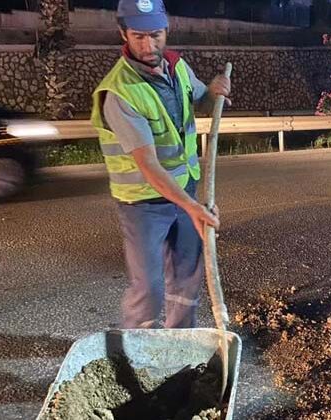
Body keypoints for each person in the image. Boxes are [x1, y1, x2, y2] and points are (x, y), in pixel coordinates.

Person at [90, 0, 230, 329]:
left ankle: (179, 342)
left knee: (187, 275)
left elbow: (202, 100)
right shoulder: (120, 93)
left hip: (184, 190)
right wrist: (194, 208)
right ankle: (141, 352)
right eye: (138, 36)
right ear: (122, 33)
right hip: (143, 203)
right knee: (148, 287)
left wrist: (214, 91)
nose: (148, 45)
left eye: (155, 35)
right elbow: (149, 165)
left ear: (167, 30)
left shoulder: (177, 67)